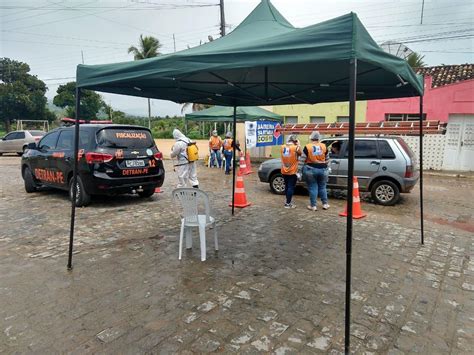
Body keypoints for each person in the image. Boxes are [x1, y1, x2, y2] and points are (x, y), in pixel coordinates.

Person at [302, 131, 329, 211]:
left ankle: (313, 206)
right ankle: (325, 204)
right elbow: (327, 159)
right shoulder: (324, 146)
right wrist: (328, 167)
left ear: (311, 138)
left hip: (311, 169)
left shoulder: (307, 147)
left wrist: (298, 171)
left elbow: (301, 160)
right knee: (322, 187)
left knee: (313, 187)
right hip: (323, 169)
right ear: (318, 138)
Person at [280, 134, 302, 208]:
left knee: (287, 186)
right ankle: (288, 203)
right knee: (291, 187)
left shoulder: (282, 147)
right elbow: (300, 153)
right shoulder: (295, 148)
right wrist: (299, 145)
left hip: (284, 170)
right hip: (292, 171)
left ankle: (287, 200)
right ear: (294, 141)